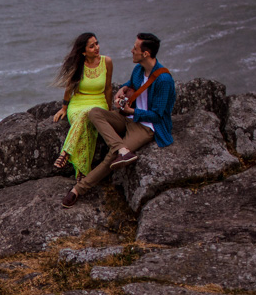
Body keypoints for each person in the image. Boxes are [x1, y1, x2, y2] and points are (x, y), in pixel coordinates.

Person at [62, 32, 175, 208]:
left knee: (112, 156)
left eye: (135, 48)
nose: (131, 50)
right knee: (94, 113)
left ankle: (78, 189)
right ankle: (122, 148)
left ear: (145, 54)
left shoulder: (164, 80)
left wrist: (132, 111)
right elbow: (131, 84)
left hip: (146, 127)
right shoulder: (139, 69)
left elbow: (158, 116)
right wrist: (122, 89)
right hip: (128, 118)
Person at [51, 33, 113, 180]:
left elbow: (108, 88)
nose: (96, 48)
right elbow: (69, 88)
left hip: (99, 102)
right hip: (78, 103)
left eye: (97, 44)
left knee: (88, 114)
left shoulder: (107, 62)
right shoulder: (78, 65)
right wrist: (65, 108)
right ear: (84, 51)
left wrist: (110, 111)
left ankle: (66, 152)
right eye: (92, 46)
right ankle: (81, 173)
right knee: (85, 127)